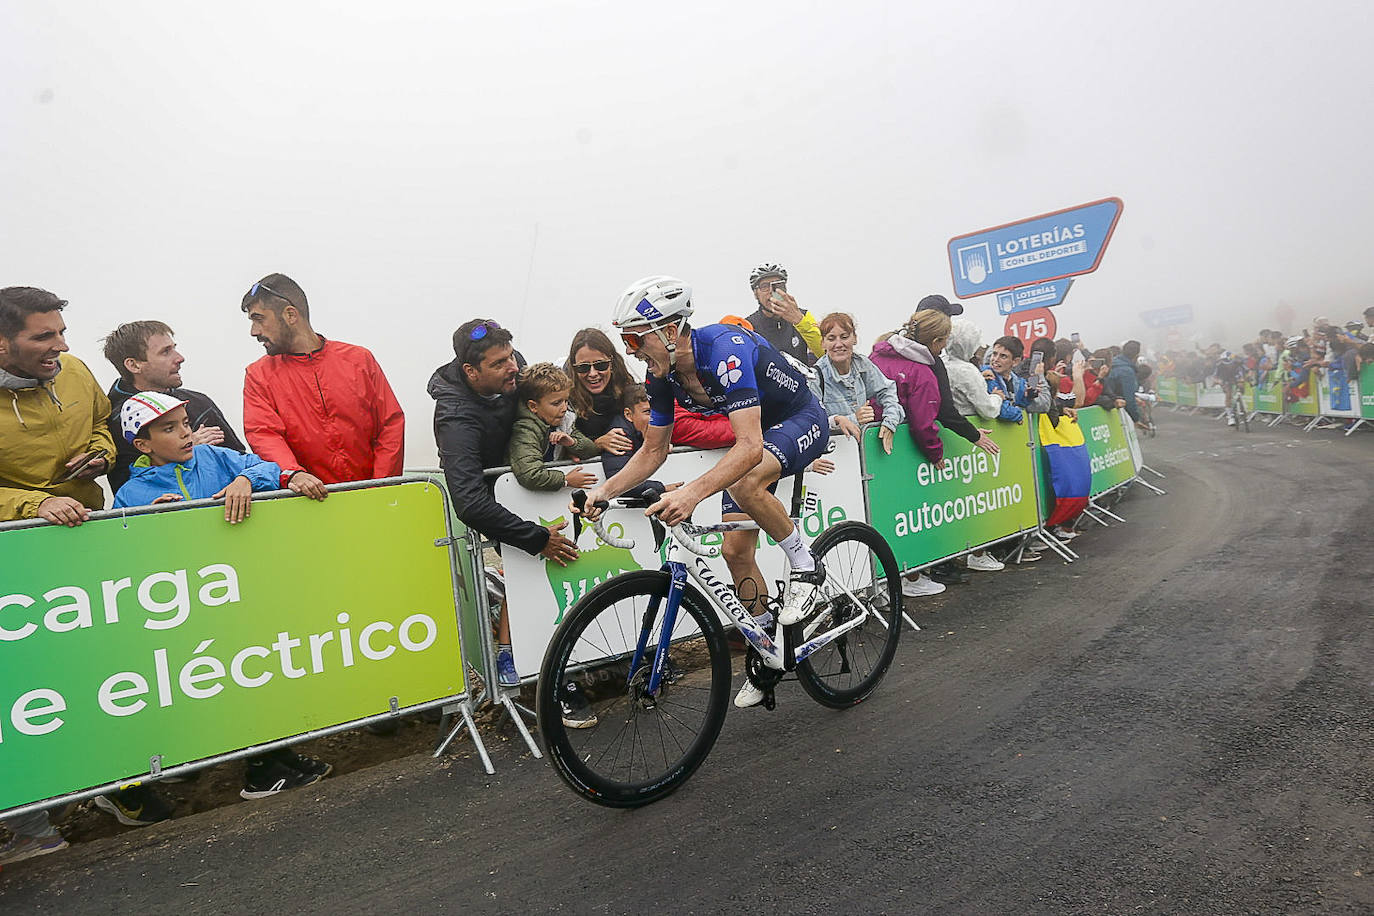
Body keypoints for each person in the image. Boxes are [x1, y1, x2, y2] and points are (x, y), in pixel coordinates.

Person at [579, 276, 830, 709]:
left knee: (745, 481)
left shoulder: (724, 349)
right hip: (761, 433)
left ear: (670, 332)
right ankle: (770, 648)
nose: (631, 351)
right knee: (735, 552)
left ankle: (805, 564)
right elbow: (653, 449)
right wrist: (604, 490)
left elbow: (749, 447)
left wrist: (693, 493)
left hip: (800, 417)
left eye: (636, 340)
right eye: (627, 341)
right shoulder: (660, 375)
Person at [0, 288, 171, 861]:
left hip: (86, 540)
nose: (62, 346)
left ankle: (123, 789)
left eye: (61, 331)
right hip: (17, 553)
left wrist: (99, 454)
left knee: (102, 670)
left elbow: (103, 422)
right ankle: (26, 829)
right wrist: (33, 506)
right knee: (29, 686)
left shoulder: (72, 372)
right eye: (43, 337)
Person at [107, 391, 333, 796]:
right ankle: (258, 771)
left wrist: (245, 480)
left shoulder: (216, 459)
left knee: (261, 671)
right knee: (229, 682)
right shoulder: (131, 492)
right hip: (194, 606)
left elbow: (265, 466)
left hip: (243, 592)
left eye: (186, 424)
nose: (185, 434)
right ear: (142, 445)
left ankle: (276, 754)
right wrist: (149, 520)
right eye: (169, 428)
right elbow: (127, 549)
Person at [429, 319, 580, 692]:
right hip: (500, 506)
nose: (512, 367)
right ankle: (526, 666)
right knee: (529, 581)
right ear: (471, 371)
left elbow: (543, 401)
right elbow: (468, 503)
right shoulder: (454, 416)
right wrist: (533, 537)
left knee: (568, 578)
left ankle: (583, 664)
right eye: (498, 364)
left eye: (511, 357)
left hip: (538, 488)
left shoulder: (515, 371)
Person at [241, 273, 405, 498]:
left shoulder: (359, 360)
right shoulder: (258, 375)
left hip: (375, 500)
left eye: (259, 319)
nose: (254, 331)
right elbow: (263, 434)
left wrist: (378, 490)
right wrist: (294, 474)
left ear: (290, 315)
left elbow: (390, 425)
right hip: (310, 507)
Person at [102, 320, 245, 492]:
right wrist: (191, 451)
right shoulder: (113, 422)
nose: (179, 358)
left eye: (174, 348)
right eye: (165, 352)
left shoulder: (200, 403)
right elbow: (128, 490)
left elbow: (242, 462)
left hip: (227, 512)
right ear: (134, 365)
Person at [869, 309, 951, 595]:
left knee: (876, 514)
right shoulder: (923, 372)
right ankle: (910, 578)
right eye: (943, 342)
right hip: (897, 452)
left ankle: (881, 580)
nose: (943, 348)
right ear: (937, 340)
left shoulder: (876, 357)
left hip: (868, 450)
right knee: (906, 514)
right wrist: (935, 453)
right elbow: (922, 423)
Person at [941, 318, 1007, 573]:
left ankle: (967, 551)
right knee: (977, 501)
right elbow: (987, 408)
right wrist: (998, 397)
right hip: (973, 440)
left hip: (956, 438)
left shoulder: (945, 366)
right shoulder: (966, 370)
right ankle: (978, 552)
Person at [809, 311, 900, 454]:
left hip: (865, 452)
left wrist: (890, 421)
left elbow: (887, 390)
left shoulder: (863, 364)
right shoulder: (815, 376)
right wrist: (851, 419)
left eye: (844, 337)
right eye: (831, 338)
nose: (838, 344)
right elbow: (811, 423)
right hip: (835, 456)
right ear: (823, 343)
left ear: (855, 339)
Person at [507, 363, 600, 491]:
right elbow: (529, 474)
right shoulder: (525, 430)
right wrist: (565, 480)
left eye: (566, 401)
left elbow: (592, 450)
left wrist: (572, 443)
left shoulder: (564, 421)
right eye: (556, 403)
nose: (564, 408)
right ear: (533, 406)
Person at [565, 327, 638, 456]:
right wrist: (597, 444)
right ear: (573, 368)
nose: (593, 373)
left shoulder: (629, 393)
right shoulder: (564, 402)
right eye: (583, 367)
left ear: (611, 363)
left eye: (600, 365)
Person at [742, 264, 824, 367]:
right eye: (764, 286)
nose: (771, 291)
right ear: (755, 293)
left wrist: (799, 321)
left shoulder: (803, 315)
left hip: (802, 381)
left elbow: (824, 353)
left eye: (777, 285)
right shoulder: (748, 325)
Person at [1105, 340, 1143, 425]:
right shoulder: (1127, 371)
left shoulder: (1112, 363)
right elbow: (1129, 398)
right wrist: (1135, 419)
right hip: (1115, 408)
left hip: (1105, 405)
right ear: (1136, 356)